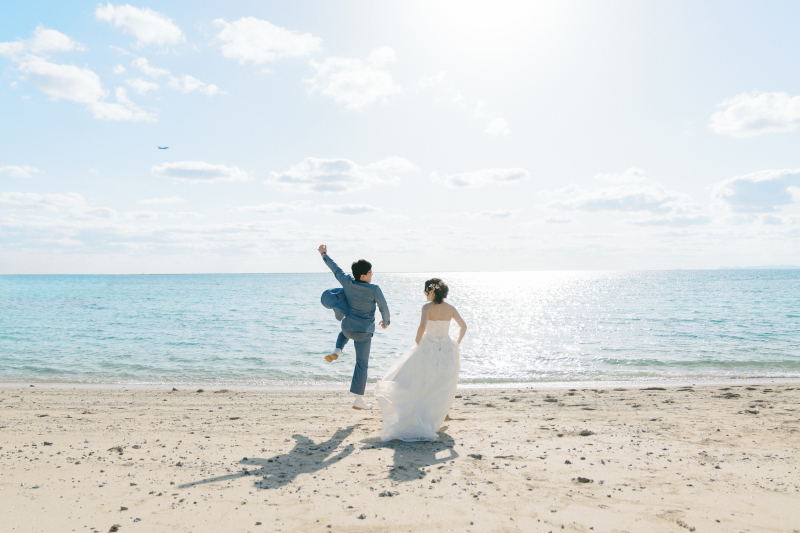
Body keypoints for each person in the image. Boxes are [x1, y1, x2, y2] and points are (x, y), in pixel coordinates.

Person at [375, 278, 467, 441]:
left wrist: (418, 343)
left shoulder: (427, 307)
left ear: (431, 292)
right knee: (442, 382)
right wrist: (456, 343)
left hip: (428, 347)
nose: (425, 294)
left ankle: (427, 413)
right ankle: (441, 412)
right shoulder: (451, 308)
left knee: (422, 380)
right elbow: (463, 326)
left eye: (426, 291)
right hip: (447, 348)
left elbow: (422, 326)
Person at [318, 244, 390, 410]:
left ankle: (337, 350)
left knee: (344, 332)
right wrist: (386, 321)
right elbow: (383, 306)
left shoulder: (348, 282)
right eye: (370, 272)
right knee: (361, 364)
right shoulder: (374, 289)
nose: (372, 274)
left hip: (348, 327)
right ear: (364, 276)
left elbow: (335, 269)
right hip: (363, 333)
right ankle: (359, 400)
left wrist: (323, 254)